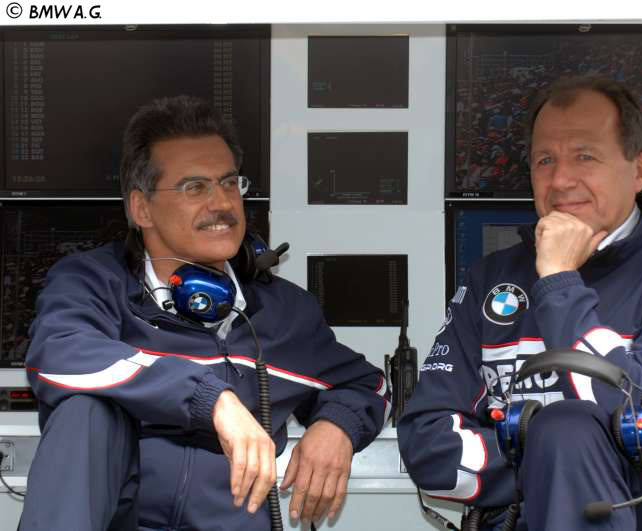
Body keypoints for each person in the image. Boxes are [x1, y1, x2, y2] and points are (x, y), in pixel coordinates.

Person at [20, 95, 390, 530]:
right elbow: (59, 354)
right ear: (141, 208)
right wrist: (212, 400)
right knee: (86, 409)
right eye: (194, 187)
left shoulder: (284, 311)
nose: (222, 204)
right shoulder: (92, 282)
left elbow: (368, 384)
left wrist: (337, 427)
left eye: (229, 183)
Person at [398, 76, 642, 530]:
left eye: (584, 156)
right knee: (565, 432)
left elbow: (638, 411)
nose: (559, 180)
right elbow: (426, 446)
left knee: (569, 429)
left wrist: (558, 280)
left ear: (639, 171)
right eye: (545, 160)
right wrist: (549, 460)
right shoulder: (489, 281)